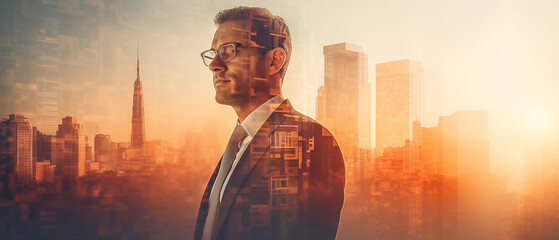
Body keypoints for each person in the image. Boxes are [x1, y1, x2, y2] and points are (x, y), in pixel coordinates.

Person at [194, 6, 345, 240]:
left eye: (227, 51)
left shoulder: (309, 141)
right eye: (212, 53)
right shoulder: (238, 145)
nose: (214, 65)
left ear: (274, 61)